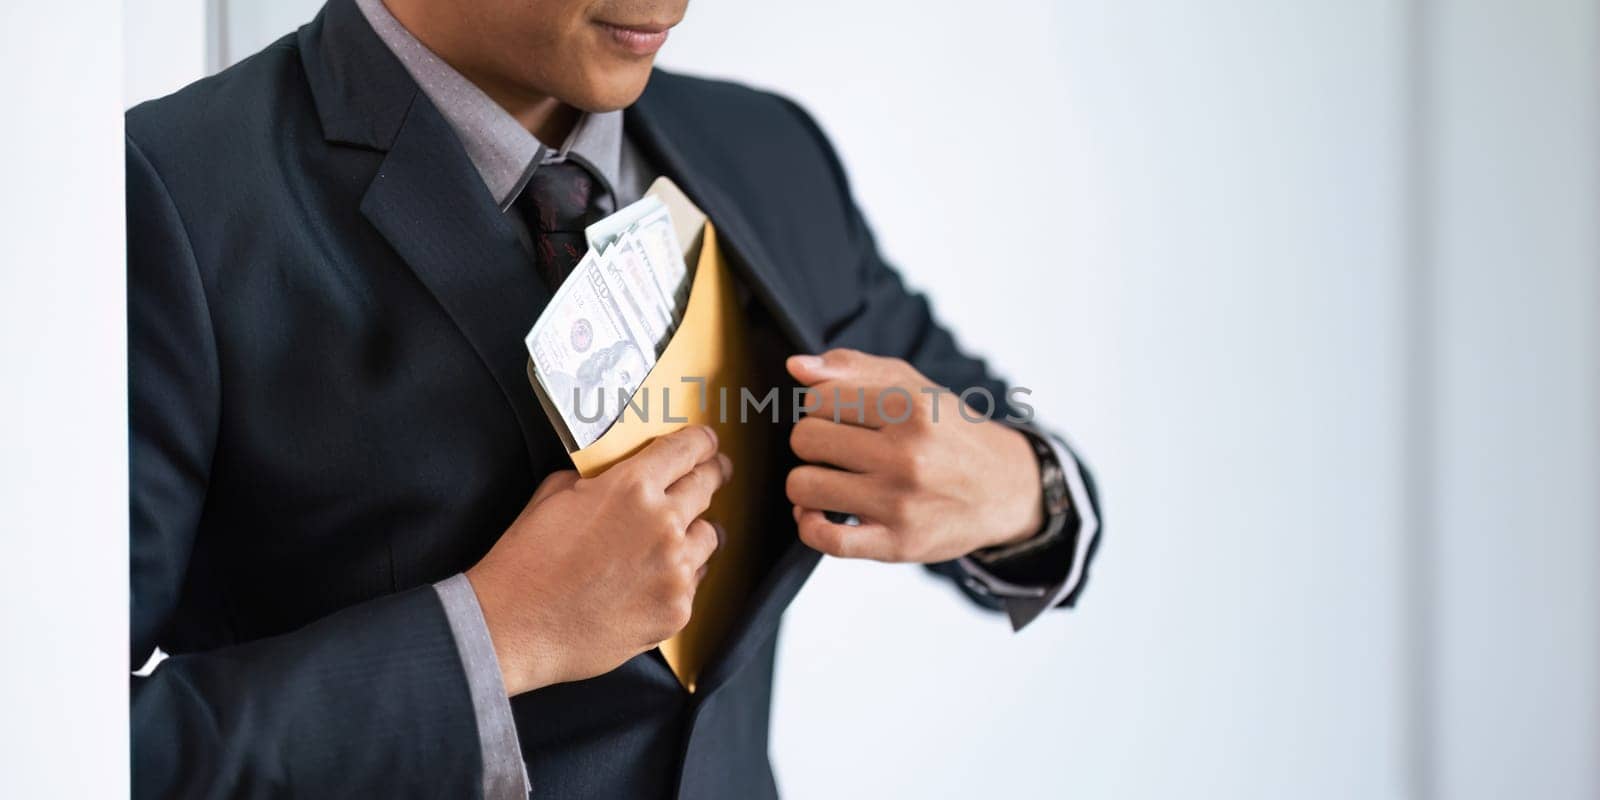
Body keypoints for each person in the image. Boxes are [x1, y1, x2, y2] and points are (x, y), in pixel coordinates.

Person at [125, 0, 1102, 796]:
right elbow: (65, 749)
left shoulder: (769, 149)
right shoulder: (170, 192)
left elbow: (992, 448)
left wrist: (1023, 489)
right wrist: (493, 634)